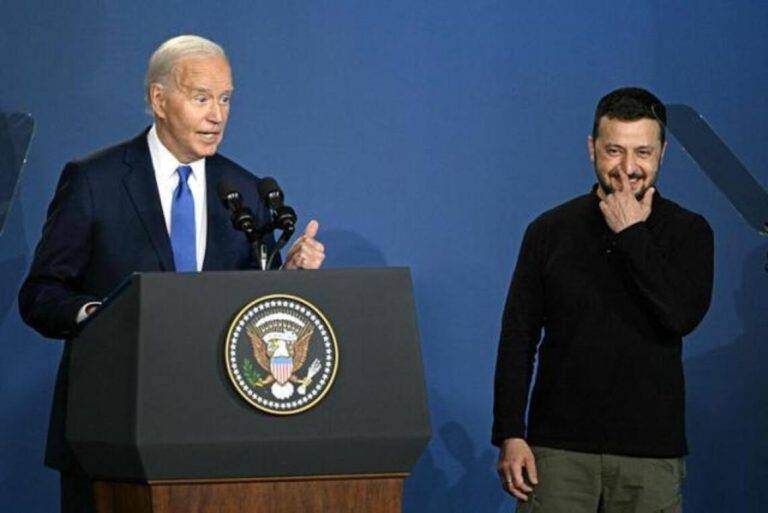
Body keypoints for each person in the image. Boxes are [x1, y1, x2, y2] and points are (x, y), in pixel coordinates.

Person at [18, 34, 325, 513]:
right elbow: (40, 293)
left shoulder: (243, 190)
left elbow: (250, 315)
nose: (217, 115)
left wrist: (286, 277)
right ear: (160, 100)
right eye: (201, 98)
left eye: (225, 99)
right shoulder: (95, 181)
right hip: (110, 432)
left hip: (215, 435)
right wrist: (98, 316)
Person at [493, 87, 714, 512]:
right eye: (614, 150)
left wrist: (633, 236)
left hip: (650, 456)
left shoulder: (689, 232)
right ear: (592, 148)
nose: (629, 168)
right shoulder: (549, 230)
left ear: (662, 153)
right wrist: (510, 432)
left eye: (643, 153)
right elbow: (517, 337)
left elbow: (680, 316)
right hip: (557, 453)